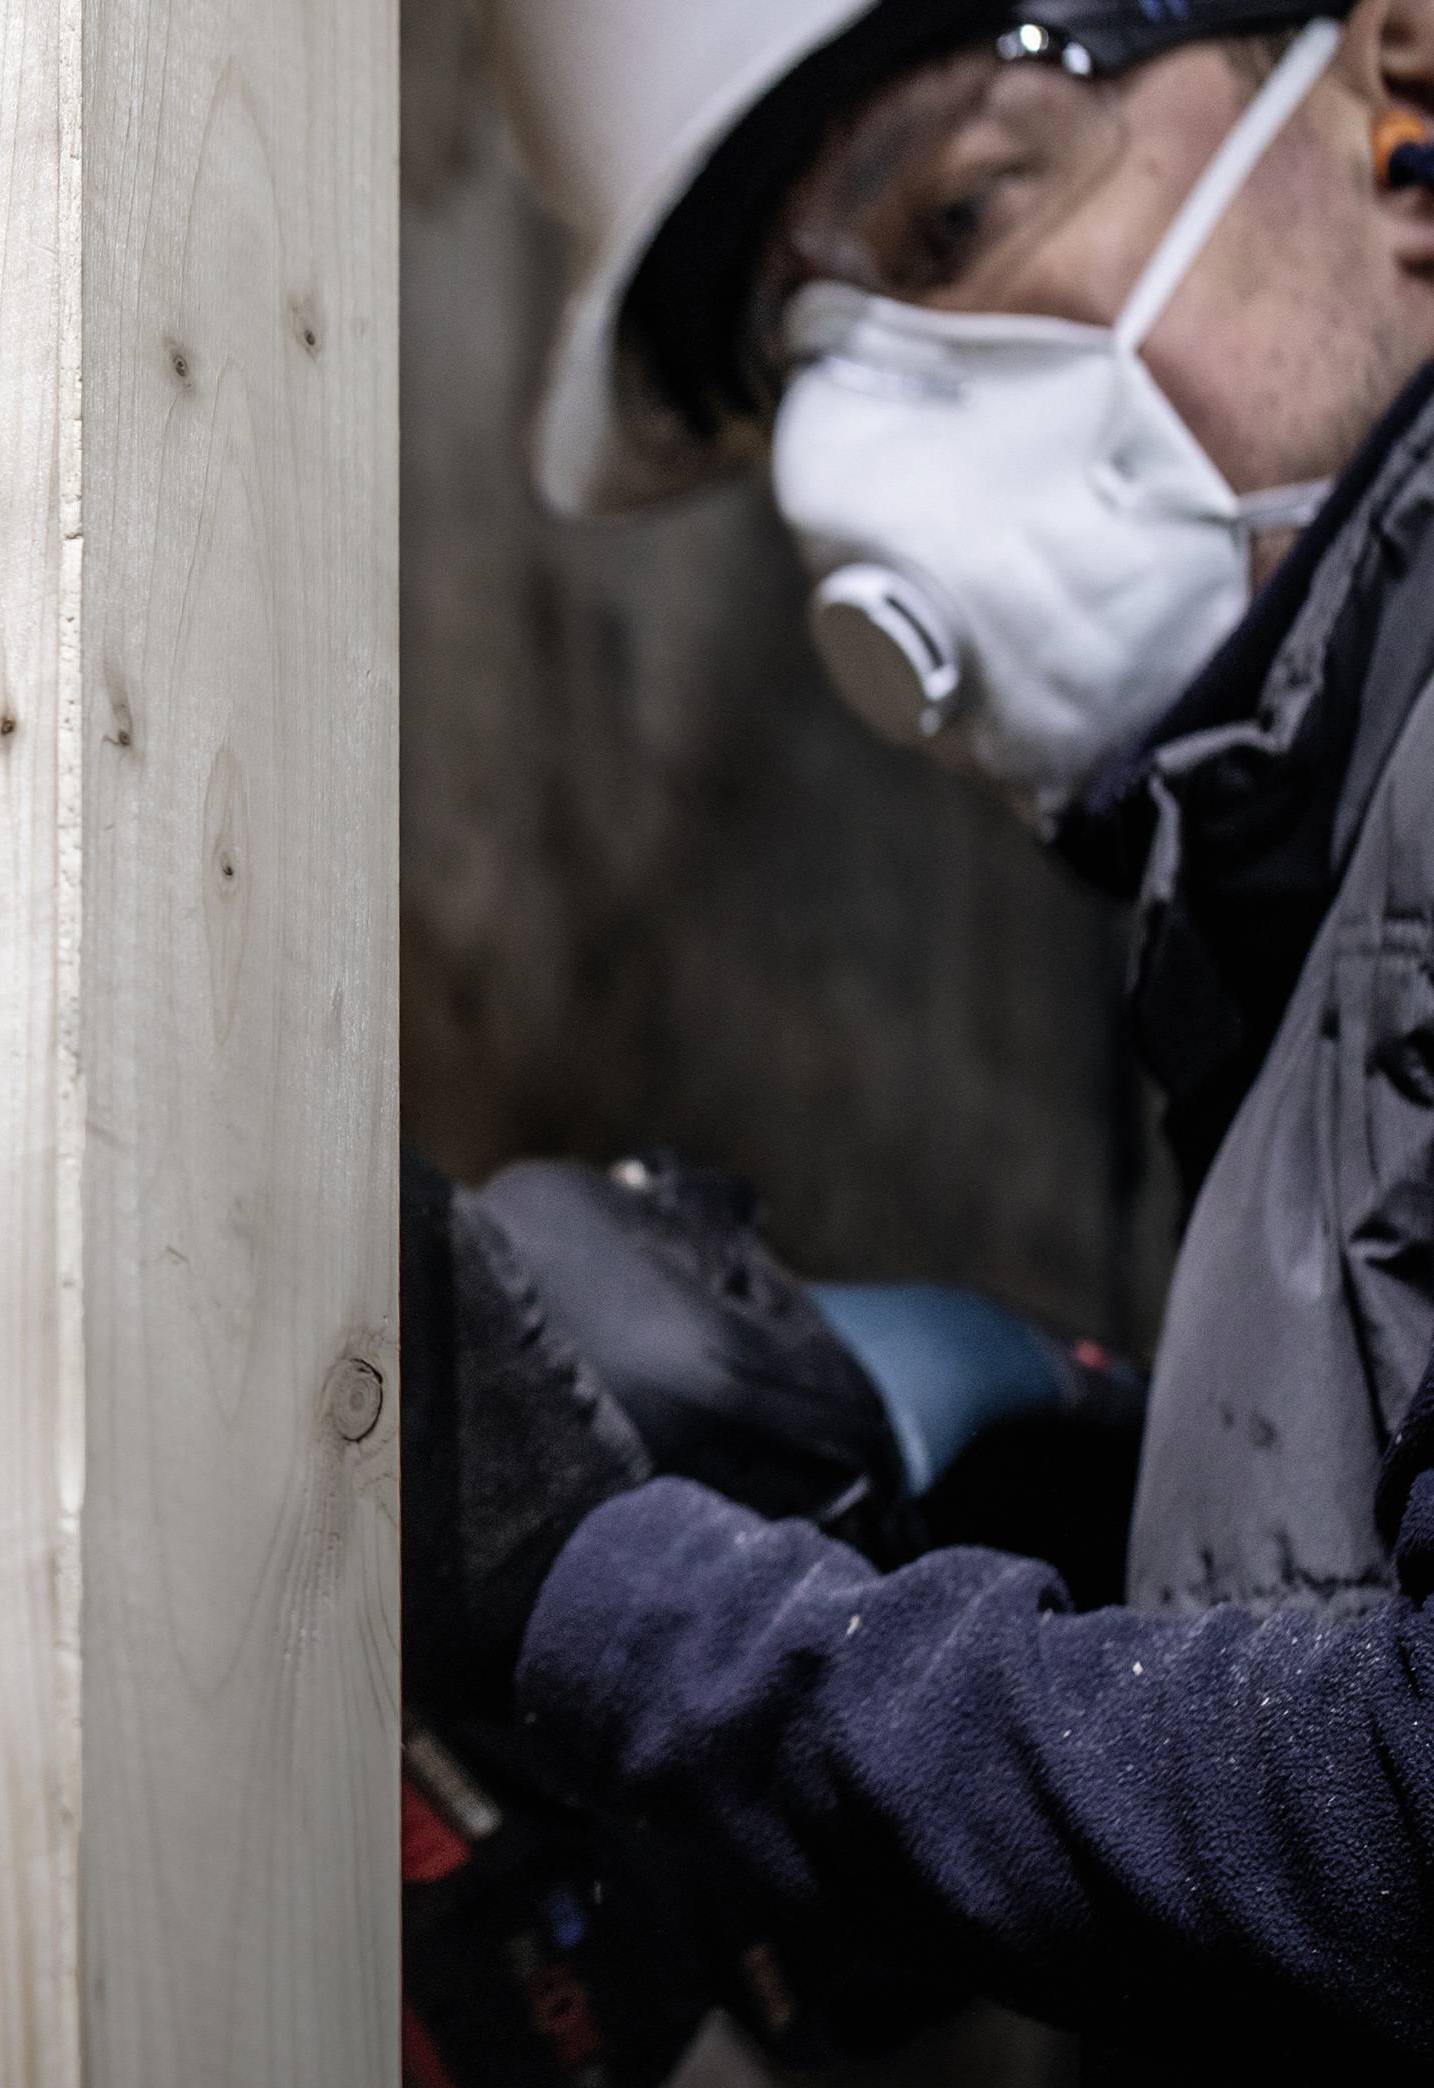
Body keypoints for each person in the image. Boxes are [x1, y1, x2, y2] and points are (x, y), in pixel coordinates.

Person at [410, 0, 1434, 2074]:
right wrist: (1072, 1580)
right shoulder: (1304, 890)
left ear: (1391, 94)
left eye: (962, 209)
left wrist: (653, 1623)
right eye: (802, 365)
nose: (845, 462)